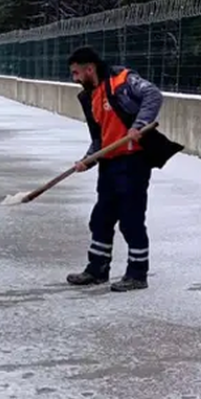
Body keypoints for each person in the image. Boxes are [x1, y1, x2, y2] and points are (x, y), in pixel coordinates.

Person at [66, 46, 166, 292]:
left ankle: (137, 273)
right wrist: (87, 160)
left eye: (77, 73)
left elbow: (153, 95)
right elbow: (99, 139)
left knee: (131, 220)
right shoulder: (89, 97)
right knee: (101, 218)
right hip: (109, 163)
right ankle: (97, 269)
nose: (75, 79)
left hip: (133, 162)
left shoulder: (122, 81)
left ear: (90, 68)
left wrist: (139, 125)